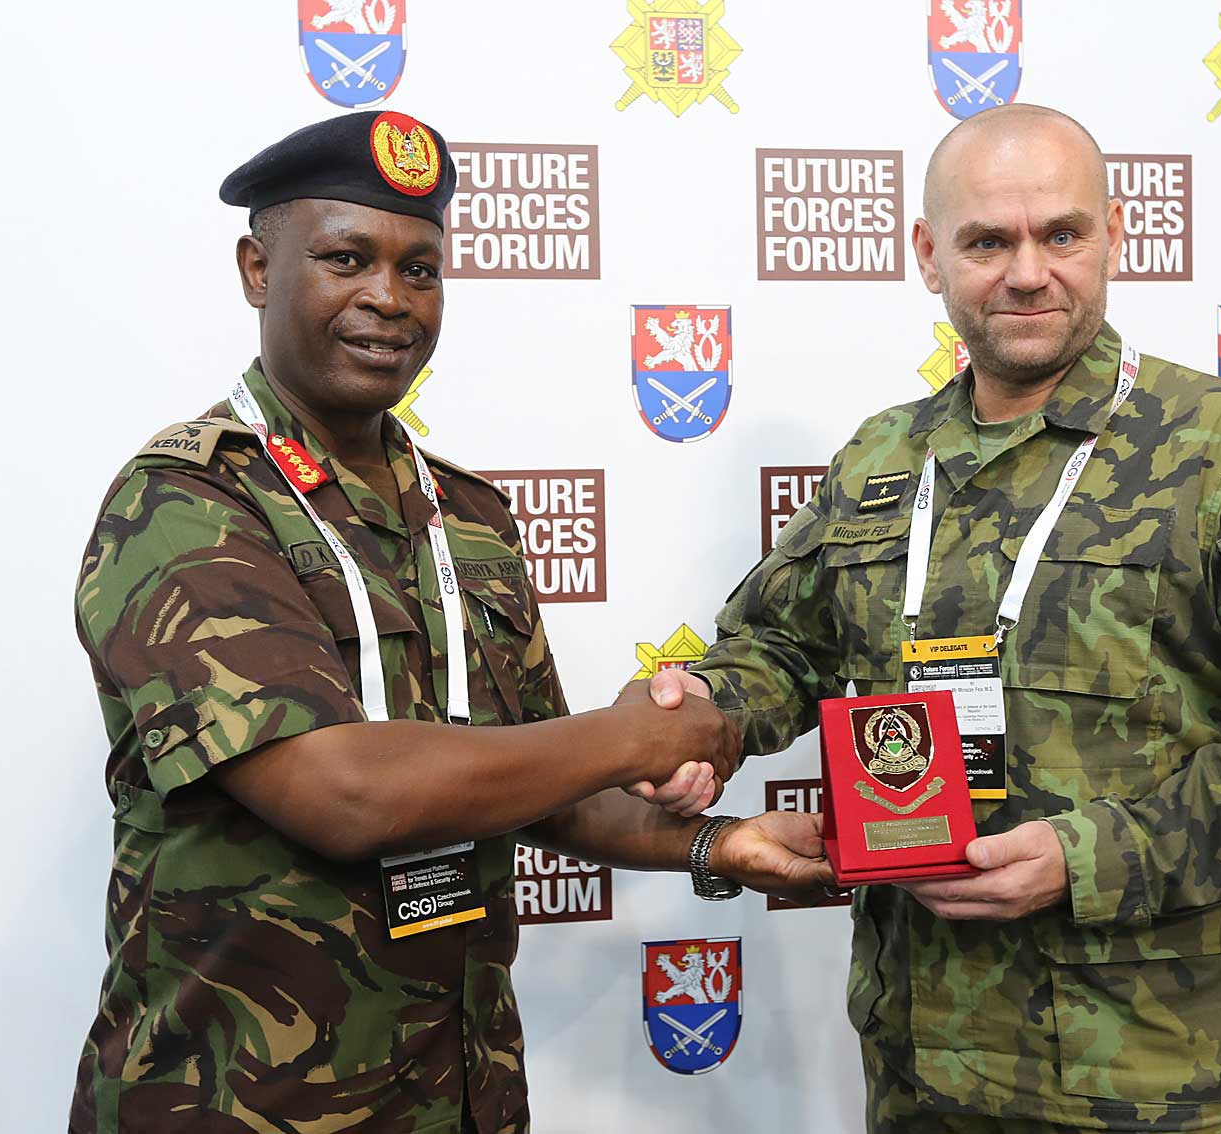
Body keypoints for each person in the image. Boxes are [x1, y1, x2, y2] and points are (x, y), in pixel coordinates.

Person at [651, 104, 1221, 1133]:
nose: (1026, 273)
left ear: (1113, 235)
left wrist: (1096, 857)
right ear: (928, 255)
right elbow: (785, 648)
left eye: (1061, 234)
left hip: (1149, 1076)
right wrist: (702, 716)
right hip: (921, 1063)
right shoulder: (882, 459)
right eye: (985, 242)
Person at [67, 110, 831, 1134]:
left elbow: (549, 792)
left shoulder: (465, 514)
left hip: (460, 1094)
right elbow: (345, 793)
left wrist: (720, 845)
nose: (389, 298)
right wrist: (631, 737)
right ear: (257, 269)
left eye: (419, 270)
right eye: (346, 259)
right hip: (241, 1105)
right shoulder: (186, 504)